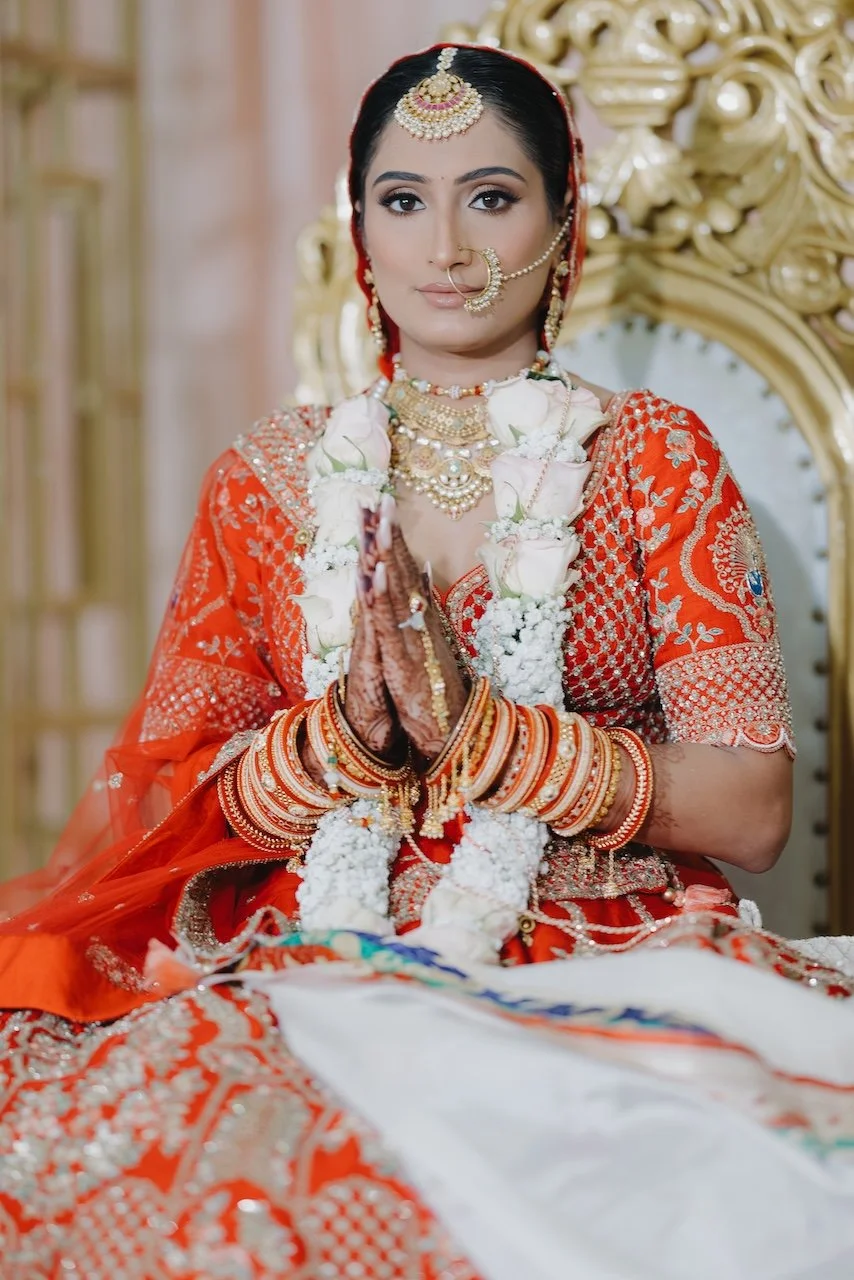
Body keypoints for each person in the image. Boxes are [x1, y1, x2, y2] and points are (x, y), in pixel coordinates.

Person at [1, 43, 853, 1280]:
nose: (445, 247)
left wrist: (493, 739)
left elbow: (753, 806)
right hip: (307, 947)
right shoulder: (269, 475)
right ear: (360, 230)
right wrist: (337, 739)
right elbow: (170, 794)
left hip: (595, 935)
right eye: (403, 200)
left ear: (564, 222)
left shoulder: (653, 458)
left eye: (492, 197)